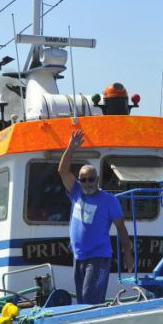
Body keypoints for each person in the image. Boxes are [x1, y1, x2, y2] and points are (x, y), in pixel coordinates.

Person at [58, 128, 134, 304]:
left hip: (99, 257)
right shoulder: (76, 191)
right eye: (83, 179)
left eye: (91, 179)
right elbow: (62, 171)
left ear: (97, 180)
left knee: (89, 299)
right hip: (79, 257)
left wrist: (128, 254)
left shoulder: (109, 201)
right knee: (82, 302)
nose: (87, 183)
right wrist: (71, 147)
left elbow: (121, 229)